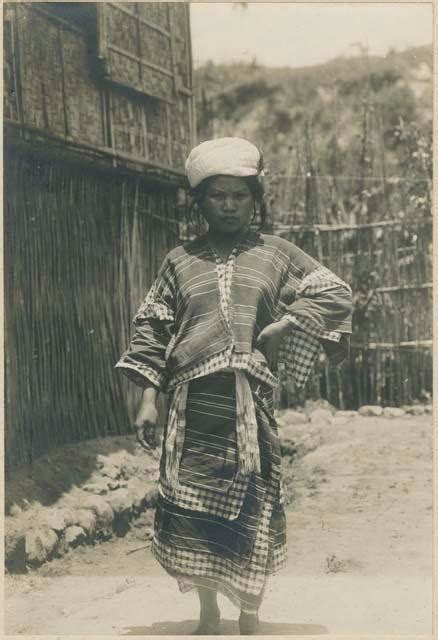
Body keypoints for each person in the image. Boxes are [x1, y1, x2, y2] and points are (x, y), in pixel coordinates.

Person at [116, 137, 352, 635]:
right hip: (194, 405)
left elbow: (335, 292)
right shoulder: (179, 261)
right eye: (217, 195)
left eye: (239, 195)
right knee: (192, 507)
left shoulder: (277, 255)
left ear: (255, 200)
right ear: (199, 202)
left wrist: (284, 325)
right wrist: (147, 401)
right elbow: (153, 328)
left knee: (255, 503)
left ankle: (249, 613)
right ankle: (207, 612)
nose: (228, 205)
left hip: (252, 403)